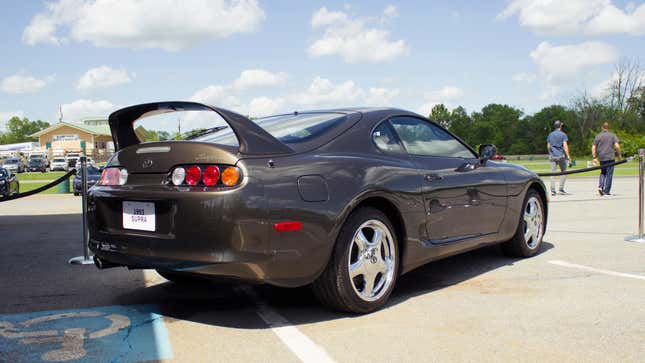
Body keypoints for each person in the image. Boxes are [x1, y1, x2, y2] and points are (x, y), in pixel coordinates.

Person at [592, 122, 622, 196]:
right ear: (608, 128)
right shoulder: (612, 135)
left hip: (602, 157)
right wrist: (619, 156)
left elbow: (593, 147)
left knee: (603, 173)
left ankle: (600, 187)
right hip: (610, 157)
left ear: (602, 127)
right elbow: (617, 146)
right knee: (609, 174)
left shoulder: (598, 136)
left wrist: (594, 157)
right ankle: (606, 191)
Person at [546, 120, 572, 196]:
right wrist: (569, 157)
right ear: (560, 126)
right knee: (564, 171)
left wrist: (550, 153)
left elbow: (548, 146)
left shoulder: (550, 134)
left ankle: (553, 190)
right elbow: (565, 146)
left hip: (552, 156)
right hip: (560, 156)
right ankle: (561, 189)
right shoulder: (563, 135)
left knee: (552, 173)